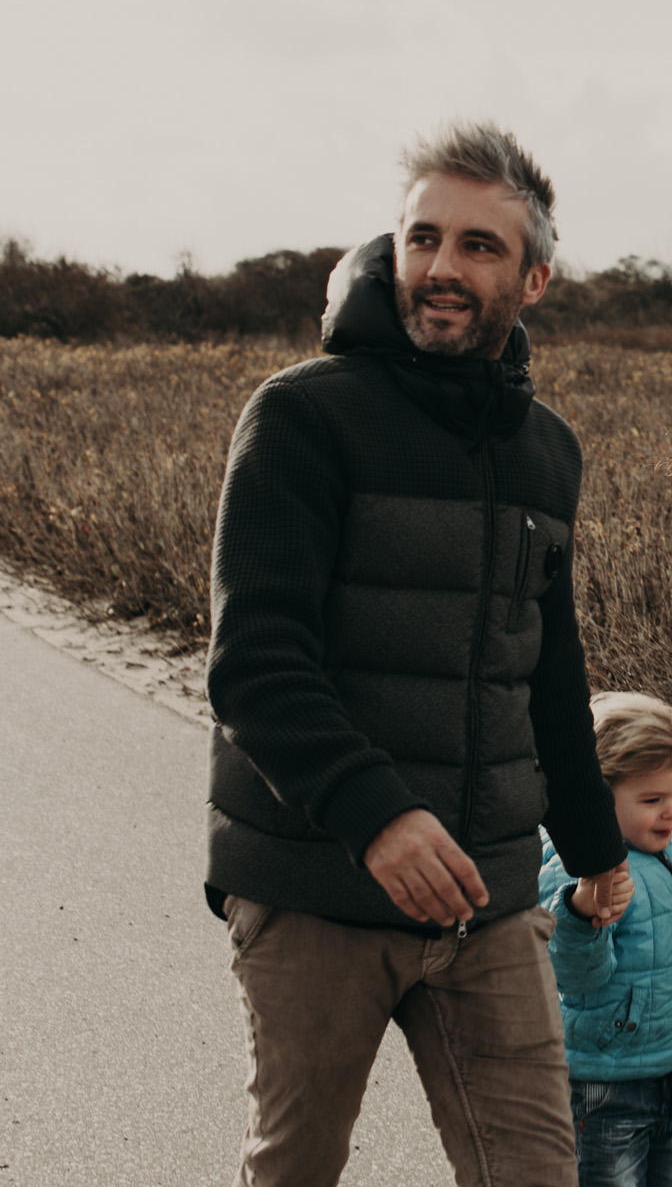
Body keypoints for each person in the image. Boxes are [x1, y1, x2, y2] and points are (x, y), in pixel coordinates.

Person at [206, 120, 632, 1187]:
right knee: (294, 1167)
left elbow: (546, 662)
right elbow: (254, 661)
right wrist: (376, 815)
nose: (442, 268)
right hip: (317, 883)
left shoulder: (545, 448)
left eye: (478, 246)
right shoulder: (304, 417)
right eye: (422, 238)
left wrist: (592, 842)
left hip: (486, 896)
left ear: (532, 276)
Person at [540, 692, 672, 1187]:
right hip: (603, 1090)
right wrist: (583, 912)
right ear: (596, 795)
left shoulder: (670, 851)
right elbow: (572, 975)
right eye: (652, 800)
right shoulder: (571, 863)